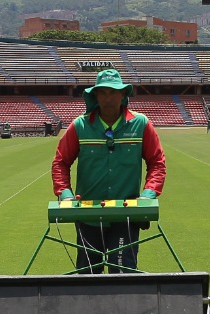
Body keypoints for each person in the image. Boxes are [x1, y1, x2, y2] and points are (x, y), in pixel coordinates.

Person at [50, 68, 166, 273]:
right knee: (87, 276)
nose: (108, 97)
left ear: (123, 95)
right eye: (103, 92)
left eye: (113, 92)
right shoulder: (80, 126)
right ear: (95, 96)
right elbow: (60, 162)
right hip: (88, 217)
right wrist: (65, 195)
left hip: (126, 215)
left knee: (122, 275)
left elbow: (157, 162)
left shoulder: (141, 124)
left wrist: (147, 196)